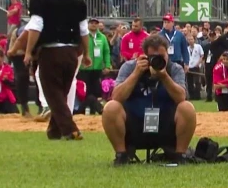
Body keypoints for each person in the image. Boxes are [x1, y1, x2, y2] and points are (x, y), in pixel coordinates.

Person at [102, 35, 195, 166]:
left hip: (165, 124)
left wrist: (164, 76)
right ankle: (121, 155)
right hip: (135, 124)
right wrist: (136, 73)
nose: (157, 60)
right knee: (111, 107)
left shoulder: (174, 69)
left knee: (187, 107)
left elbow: (181, 97)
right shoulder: (129, 67)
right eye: (153, 57)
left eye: (162, 56)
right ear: (144, 55)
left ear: (167, 54)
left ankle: (180, 155)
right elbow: (116, 97)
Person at [23, 0, 90, 141]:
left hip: (50, 51)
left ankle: (70, 130)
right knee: (62, 92)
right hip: (71, 53)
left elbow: (36, 27)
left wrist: (28, 51)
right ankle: (54, 131)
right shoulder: (77, 2)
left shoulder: (39, 1)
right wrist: (87, 53)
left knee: (53, 93)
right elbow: (84, 31)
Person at [78, 18, 111, 103]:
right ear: (87, 24)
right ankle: (84, 108)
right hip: (84, 68)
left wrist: (107, 65)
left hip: (97, 68)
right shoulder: (83, 36)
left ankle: (95, 109)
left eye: (95, 23)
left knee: (96, 91)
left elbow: (106, 52)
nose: (93, 24)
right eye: (91, 23)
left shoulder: (102, 37)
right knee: (85, 90)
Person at [186, 34, 204, 100]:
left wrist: (198, 63)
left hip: (196, 66)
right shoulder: (187, 48)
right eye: (189, 40)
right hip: (189, 66)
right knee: (190, 82)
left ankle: (197, 96)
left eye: (191, 39)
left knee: (197, 82)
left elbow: (202, 55)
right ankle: (191, 96)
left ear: (194, 40)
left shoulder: (198, 46)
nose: (190, 41)